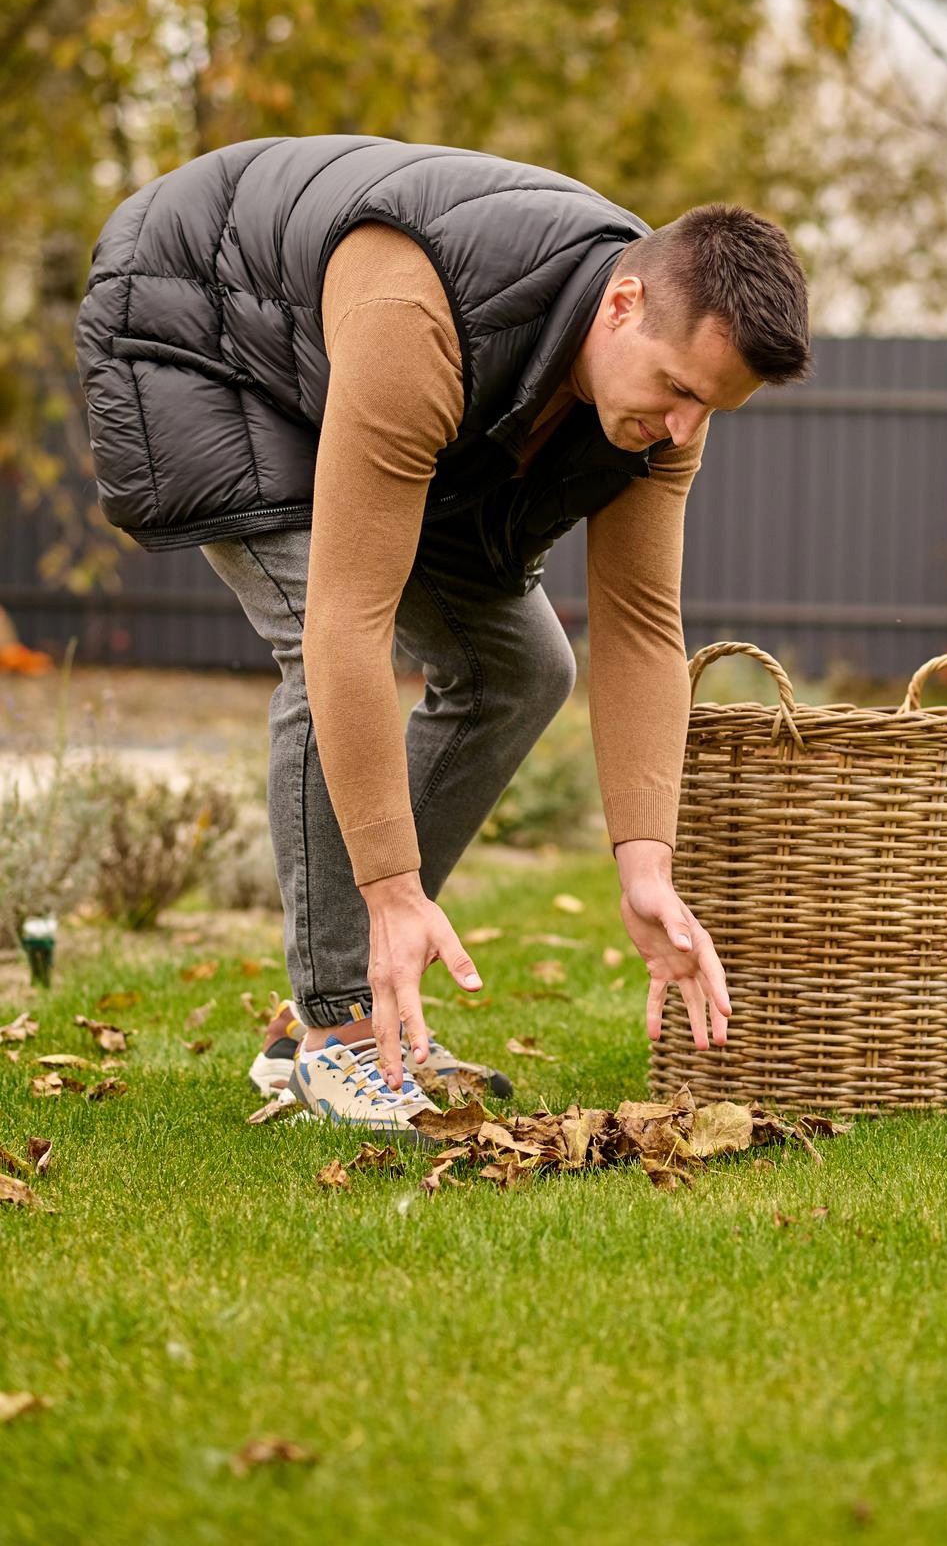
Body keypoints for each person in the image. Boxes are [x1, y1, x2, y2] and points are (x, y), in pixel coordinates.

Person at [75, 136, 811, 1138]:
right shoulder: (418, 314)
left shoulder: (664, 398)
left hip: (339, 355)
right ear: (624, 304)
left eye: (709, 408)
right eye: (678, 388)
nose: (684, 427)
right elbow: (345, 624)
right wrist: (386, 885)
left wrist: (646, 867)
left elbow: (639, 626)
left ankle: (335, 1015)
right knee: (317, 620)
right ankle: (333, 1032)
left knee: (519, 665)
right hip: (199, 324)